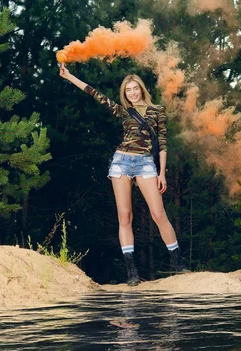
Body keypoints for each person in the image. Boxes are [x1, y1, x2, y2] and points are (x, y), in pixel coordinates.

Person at [59, 63, 190, 286]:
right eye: (128, 90)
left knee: (159, 214)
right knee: (124, 216)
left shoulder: (157, 110)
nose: (132, 92)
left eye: (135, 88)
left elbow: (164, 144)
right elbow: (95, 94)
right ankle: (132, 273)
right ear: (125, 93)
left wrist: (162, 173)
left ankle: (179, 266)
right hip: (121, 162)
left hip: (146, 163)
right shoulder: (122, 110)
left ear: (141, 88)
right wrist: (69, 76)